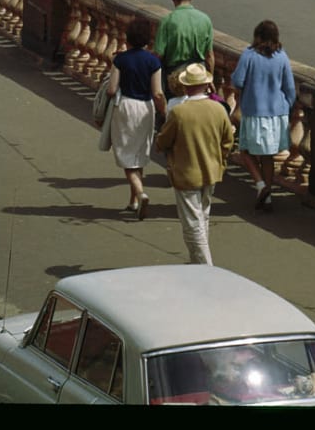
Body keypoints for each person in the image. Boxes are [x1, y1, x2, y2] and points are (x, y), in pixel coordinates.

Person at [153, 63, 235, 265]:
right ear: (206, 85)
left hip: (186, 172)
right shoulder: (218, 109)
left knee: (192, 224)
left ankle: (204, 265)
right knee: (202, 218)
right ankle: (198, 261)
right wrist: (220, 161)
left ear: (186, 86)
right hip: (212, 170)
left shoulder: (180, 112)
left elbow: (163, 141)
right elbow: (228, 141)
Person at [230, 20, 297, 213]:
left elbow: (237, 80)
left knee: (245, 150)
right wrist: (288, 105)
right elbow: (289, 87)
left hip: (254, 111)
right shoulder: (282, 56)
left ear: (258, 36)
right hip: (277, 112)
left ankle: (261, 185)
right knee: (268, 156)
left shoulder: (249, 55)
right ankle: (268, 196)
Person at [106, 17, 165, 218]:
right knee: (139, 153)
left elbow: (112, 90)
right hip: (146, 108)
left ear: (128, 38)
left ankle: (140, 193)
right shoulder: (154, 61)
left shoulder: (120, 60)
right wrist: (165, 112)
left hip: (125, 107)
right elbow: (157, 92)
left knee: (125, 155)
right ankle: (133, 200)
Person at [154, 0, 214, 105]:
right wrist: (210, 79)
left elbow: (158, 54)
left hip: (175, 78)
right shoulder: (205, 19)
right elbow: (209, 56)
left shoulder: (168, 21)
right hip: (199, 74)